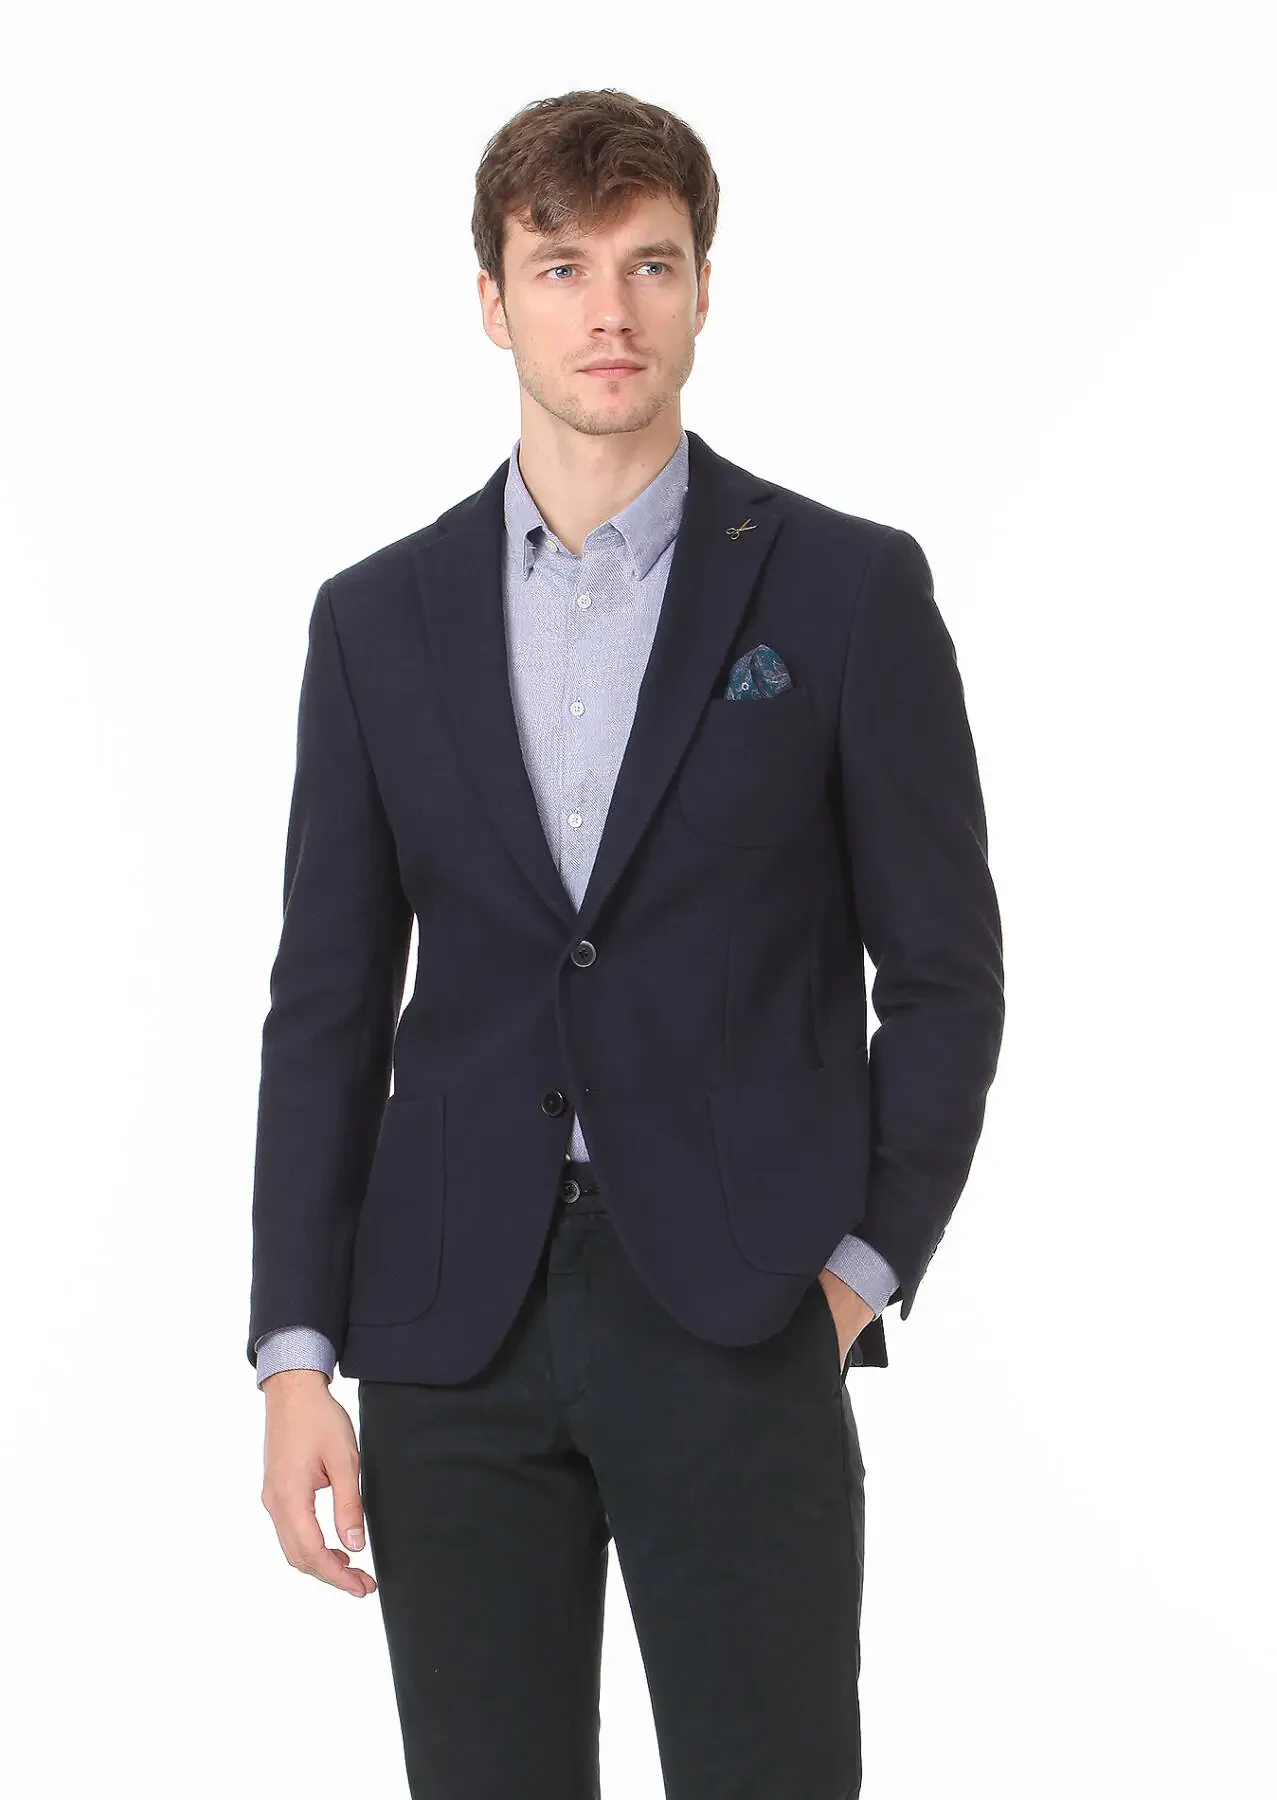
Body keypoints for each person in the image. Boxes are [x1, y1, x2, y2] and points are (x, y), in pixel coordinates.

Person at [248, 86, 1004, 1800]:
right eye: (562, 267)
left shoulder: (844, 591)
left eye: (650, 264)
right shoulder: (376, 620)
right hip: (450, 1326)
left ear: (705, 288)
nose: (610, 311)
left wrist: (857, 1271)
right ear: (492, 299)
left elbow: (946, 975)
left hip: (742, 1311)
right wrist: (296, 1356)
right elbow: (328, 1004)